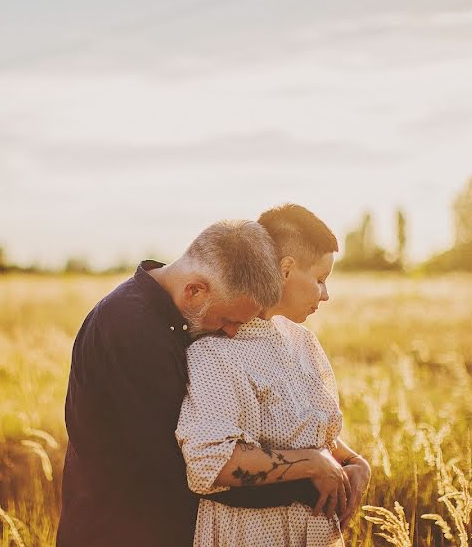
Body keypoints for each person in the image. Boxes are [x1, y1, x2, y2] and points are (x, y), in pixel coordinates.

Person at [57, 219, 344, 547]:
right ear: (194, 290)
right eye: (228, 320)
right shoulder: (130, 331)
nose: (232, 332)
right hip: (118, 531)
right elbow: (188, 466)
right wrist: (309, 480)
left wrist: (337, 459)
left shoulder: (171, 314)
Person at [176, 204, 371, 547]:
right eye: (320, 280)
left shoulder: (302, 340)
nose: (326, 294)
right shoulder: (215, 351)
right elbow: (209, 462)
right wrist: (312, 464)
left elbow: (305, 426)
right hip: (251, 533)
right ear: (285, 270)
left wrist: (353, 462)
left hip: (311, 531)